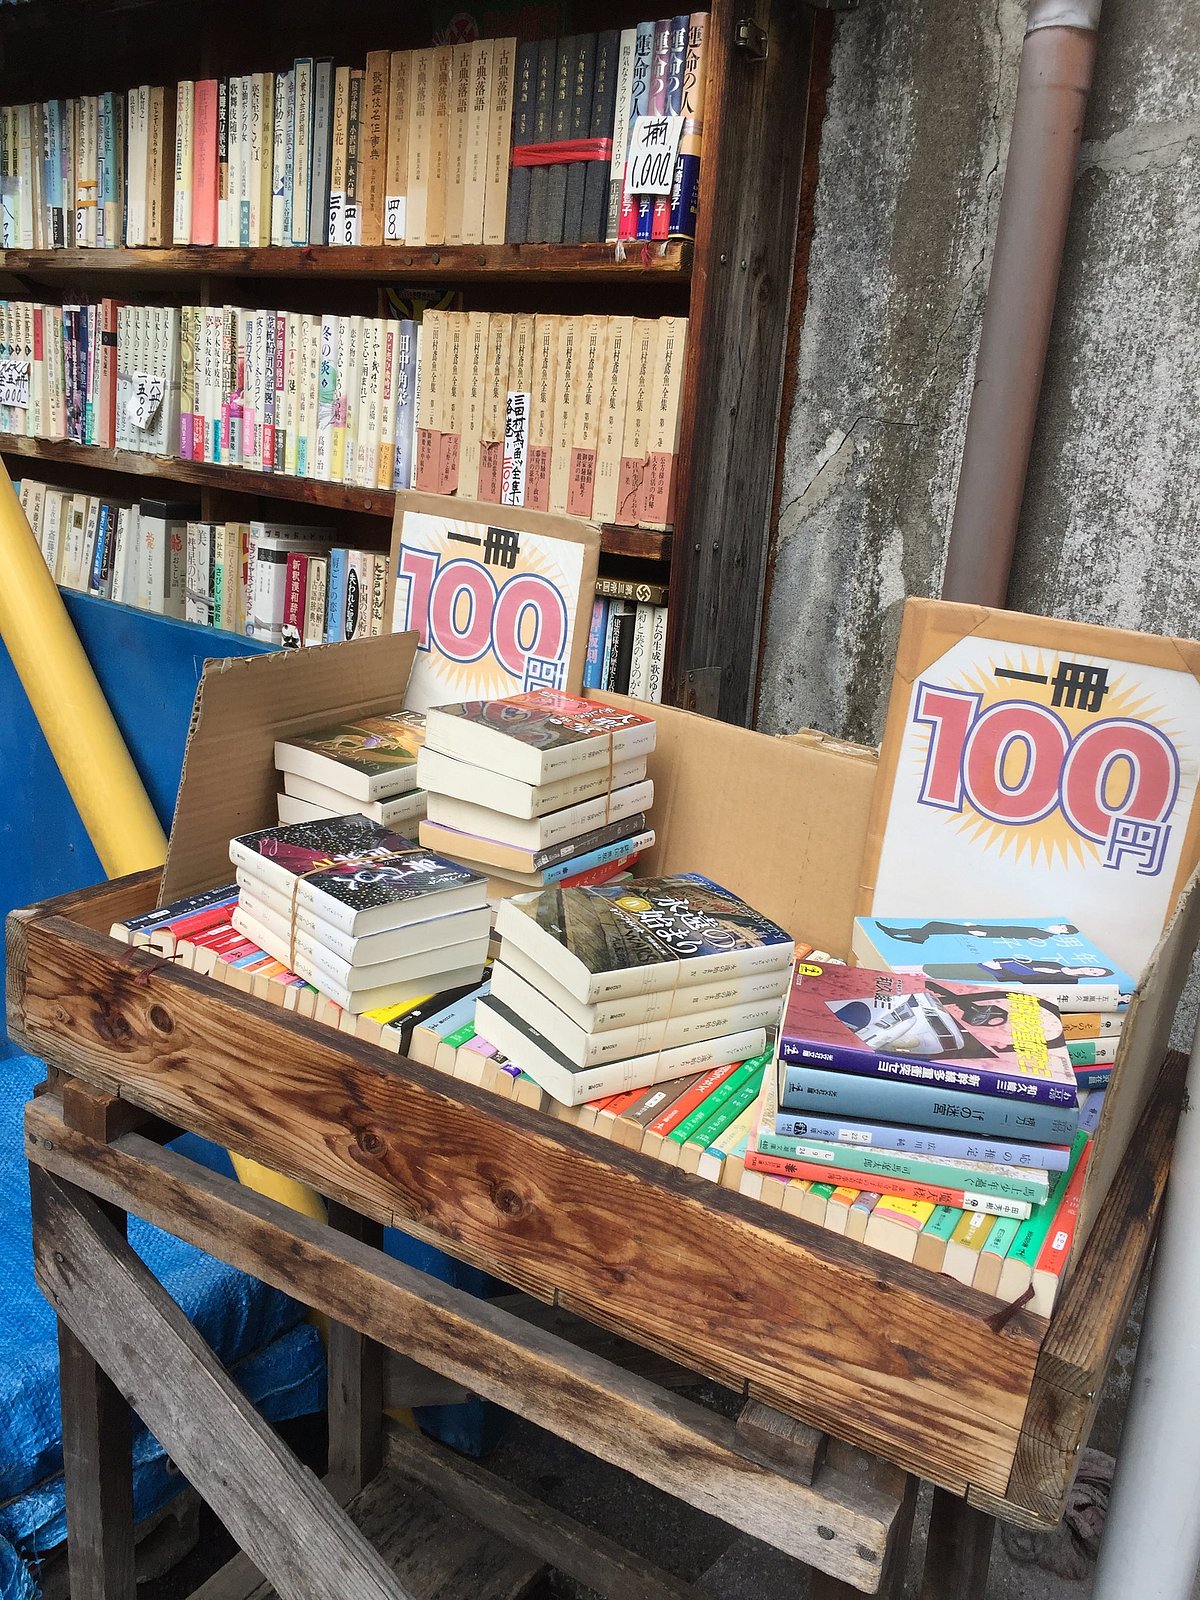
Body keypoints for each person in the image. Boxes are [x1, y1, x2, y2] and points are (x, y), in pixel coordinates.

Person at [874, 919, 1077, 944]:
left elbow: (1010, 934)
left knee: (936, 928)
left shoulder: (1042, 935)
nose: (1058, 927)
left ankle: (895, 932)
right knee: (934, 926)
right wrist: (977, 925)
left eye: (1062, 929)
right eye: (1061, 925)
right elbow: (1006, 925)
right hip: (983, 928)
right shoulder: (1040, 926)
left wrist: (985, 934)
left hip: (985, 932)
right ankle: (897, 932)